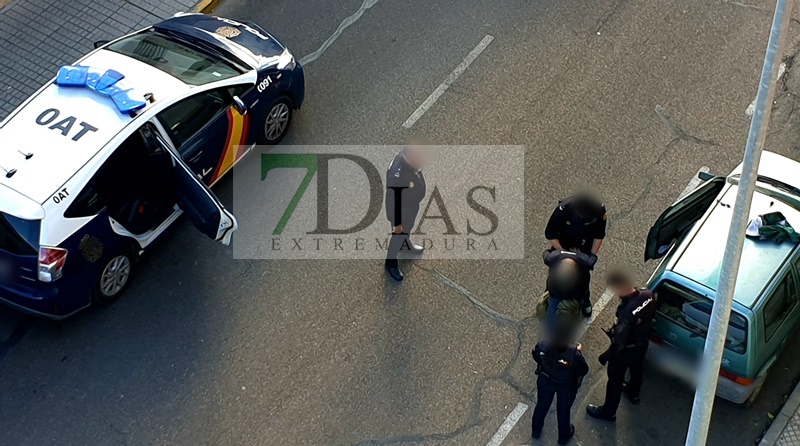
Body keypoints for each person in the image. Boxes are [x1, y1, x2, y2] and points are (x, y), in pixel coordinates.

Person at [586, 271, 656, 421]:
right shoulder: (648, 294)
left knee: (615, 382)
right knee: (637, 368)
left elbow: (619, 342)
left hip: (626, 352)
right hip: (642, 343)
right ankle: (633, 393)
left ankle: (608, 412)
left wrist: (606, 356)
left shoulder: (625, 313)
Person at [544, 191, 607, 317]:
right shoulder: (564, 208)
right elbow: (550, 233)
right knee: (556, 278)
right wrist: (563, 252)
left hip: (584, 249)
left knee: (583, 279)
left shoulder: (599, 210)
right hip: (562, 246)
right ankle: (550, 298)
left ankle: (584, 301)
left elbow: (598, 236)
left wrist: (590, 256)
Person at [531, 318, 589, 445]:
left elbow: (536, 356)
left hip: (545, 381)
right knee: (563, 410)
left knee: (542, 405)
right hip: (566, 386)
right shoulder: (573, 354)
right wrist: (577, 350)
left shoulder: (543, 347)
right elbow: (584, 369)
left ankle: (536, 430)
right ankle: (563, 436)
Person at [384, 142, 428, 282]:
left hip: (410, 206)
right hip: (401, 211)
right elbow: (393, 200)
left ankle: (406, 245)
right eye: (418, 156)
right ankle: (391, 263)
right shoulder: (396, 175)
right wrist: (397, 222)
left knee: (407, 229)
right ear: (409, 157)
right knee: (398, 235)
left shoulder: (411, 164)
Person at [543, 248, 597, 327]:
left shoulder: (554, 256)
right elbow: (592, 259)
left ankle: (549, 325)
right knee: (578, 303)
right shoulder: (583, 260)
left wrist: (551, 250)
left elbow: (546, 254)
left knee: (552, 307)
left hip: (555, 292)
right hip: (575, 293)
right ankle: (583, 310)